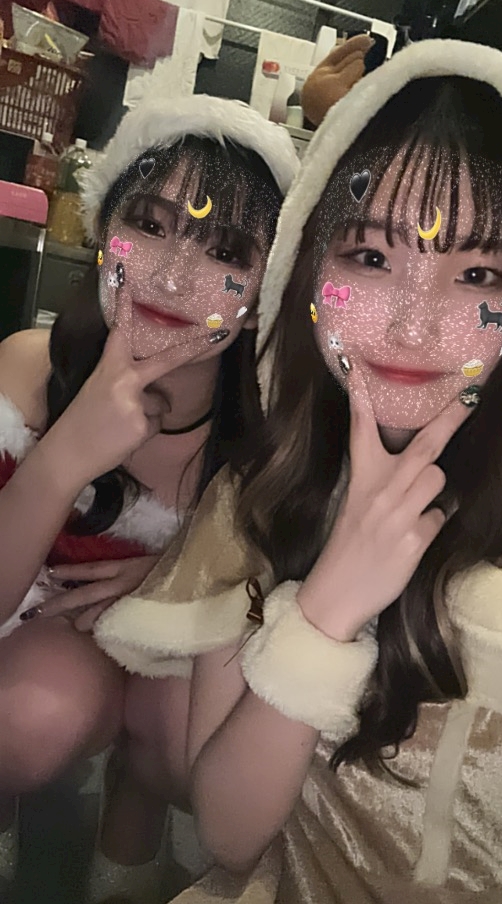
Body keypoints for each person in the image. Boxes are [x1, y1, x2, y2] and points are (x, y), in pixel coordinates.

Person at [144, 39, 502, 904]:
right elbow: (228, 832)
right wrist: (328, 607)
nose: (413, 326)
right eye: (371, 258)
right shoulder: (259, 496)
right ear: (308, 268)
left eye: (476, 273)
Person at [0, 93, 298, 898]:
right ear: (104, 230)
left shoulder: (266, 441)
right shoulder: (26, 371)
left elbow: (273, 602)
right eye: (151, 224)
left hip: (168, 659)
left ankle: (127, 850)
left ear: (264, 293)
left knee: (182, 737)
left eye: (225, 249)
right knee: (27, 718)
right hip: (39, 650)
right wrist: (63, 457)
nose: (173, 274)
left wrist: (174, 578)